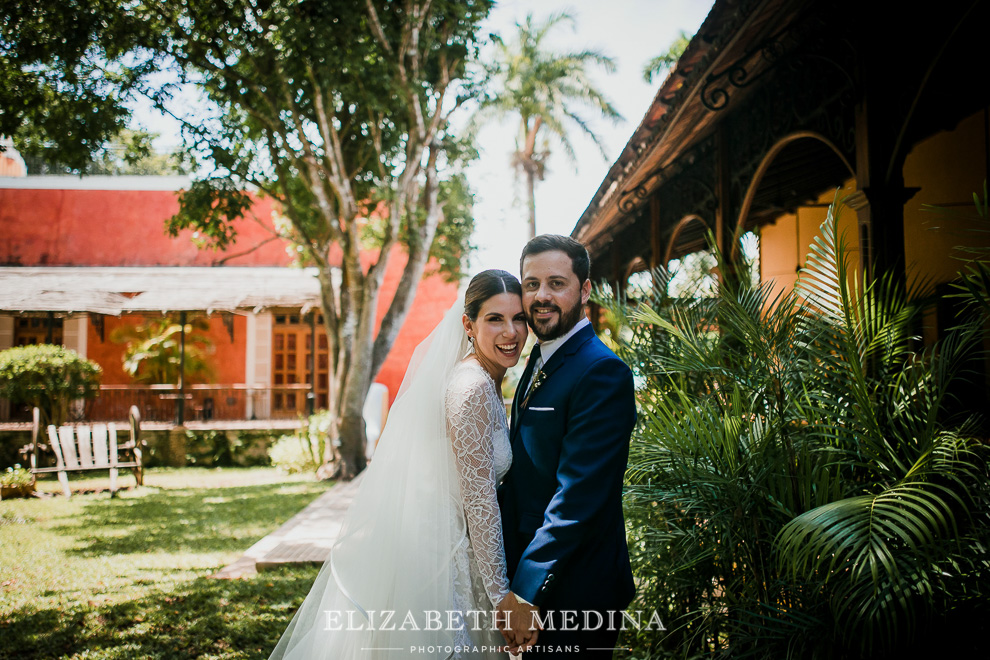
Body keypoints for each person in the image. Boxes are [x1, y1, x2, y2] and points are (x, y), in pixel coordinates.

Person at [269, 270, 538, 659]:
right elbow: (479, 501)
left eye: (518, 319)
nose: (510, 332)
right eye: (495, 319)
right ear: (468, 324)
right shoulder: (473, 387)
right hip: (445, 560)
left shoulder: (484, 377)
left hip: (456, 546)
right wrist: (501, 598)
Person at [498, 235, 637, 658]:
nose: (541, 296)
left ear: (585, 289)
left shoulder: (601, 372)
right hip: (533, 572)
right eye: (531, 283)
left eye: (557, 283)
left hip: (574, 587)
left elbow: (578, 497)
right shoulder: (538, 358)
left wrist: (524, 593)